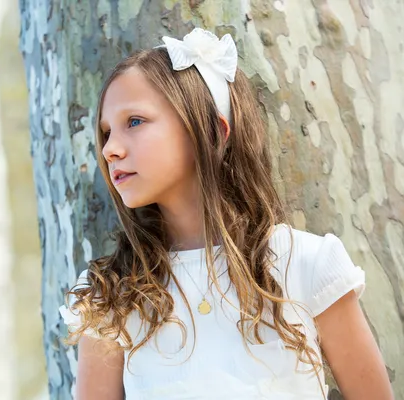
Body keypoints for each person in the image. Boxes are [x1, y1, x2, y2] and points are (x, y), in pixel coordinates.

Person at [58, 28, 392, 400]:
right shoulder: (109, 296)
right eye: (105, 133)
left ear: (213, 131)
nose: (110, 150)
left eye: (134, 122)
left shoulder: (306, 264)